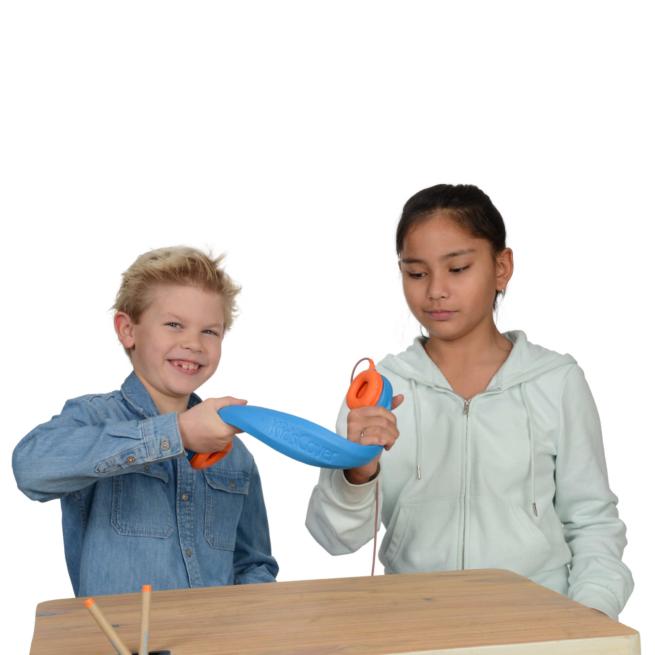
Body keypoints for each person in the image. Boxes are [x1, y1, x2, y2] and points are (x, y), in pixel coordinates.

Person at [306, 184, 633, 619]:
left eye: (457, 268)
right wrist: (357, 471)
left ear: (502, 267)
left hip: (536, 626)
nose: (435, 290)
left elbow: (593, 522)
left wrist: (591, 614)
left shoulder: (555, 381)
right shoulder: (379, 390)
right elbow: (334, 538)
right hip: (414, 625)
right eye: (416, 273)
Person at [13, 246, 278, 596]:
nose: (193, 343)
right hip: (118, 633)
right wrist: (178, 433)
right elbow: (31, 468)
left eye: (210, 331)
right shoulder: (93, 418)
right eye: (174, 325)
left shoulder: (234, 453)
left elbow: (253, 564)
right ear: (128, 330)